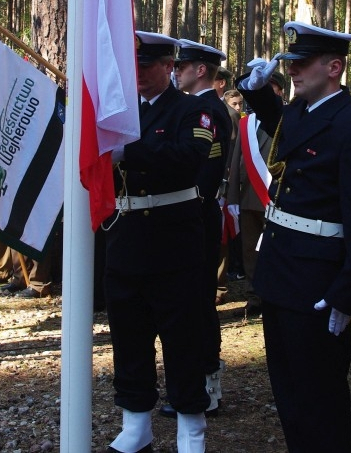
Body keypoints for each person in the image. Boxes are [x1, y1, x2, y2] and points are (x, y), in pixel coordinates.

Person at [237, 21, 351, 452]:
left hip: (319, 281)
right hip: (282, 270)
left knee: (319, 393)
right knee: (287, 387)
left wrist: (347, 293)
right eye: (290, 64)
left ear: (335, 67)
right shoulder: (300, 112)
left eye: (302, 64)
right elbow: (278, 118)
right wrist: (253, 88)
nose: (292, 72)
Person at [103, 31, 212, 453]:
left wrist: (129, 152)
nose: (139, 75)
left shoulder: (193, 111)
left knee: (182, 339)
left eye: (147, 67)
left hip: (173, 241)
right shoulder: (118, 112)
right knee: (129, 336)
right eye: (133, 67)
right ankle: (136, 423)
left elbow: (189, 161)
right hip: (125, 237)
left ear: (169, 66)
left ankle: (191, 426)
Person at [162, 38, 234, 419]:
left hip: (198, 215)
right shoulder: (197, 107)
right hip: (193, 214)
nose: (176, 72)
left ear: (200, 70)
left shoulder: (207, 110)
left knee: (198, 303)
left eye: (181, 67)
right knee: (189, 302)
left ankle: (208, 387)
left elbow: (204, 172)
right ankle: (197, 383)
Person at [225, 71, 287, 319]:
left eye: (269, 88)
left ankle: (273, 294)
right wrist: (231, 198)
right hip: (249, 195)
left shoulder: (286, 118)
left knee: (274, 249)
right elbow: (236, 158)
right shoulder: (245, 123)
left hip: (277, 197)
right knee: (250, 250)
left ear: (279, 91)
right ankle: (254, 296)